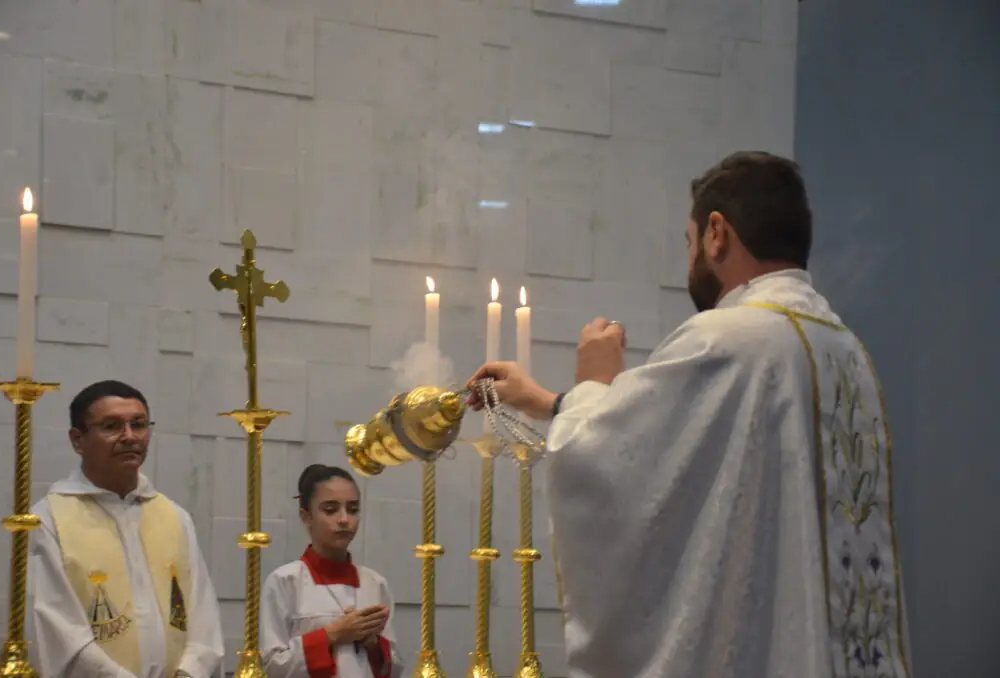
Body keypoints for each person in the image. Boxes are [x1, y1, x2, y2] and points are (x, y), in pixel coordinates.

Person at [466, 152, 912, 678]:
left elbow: (612, 467)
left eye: (689, 239)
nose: (689, 257)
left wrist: (595, 378)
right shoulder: (844, 349)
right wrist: (547, 402)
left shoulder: (733, 339)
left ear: (716, 234)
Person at [27, 380, 224, 678]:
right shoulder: (47, 519)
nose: (130, 436)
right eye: (111, 426)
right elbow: (57, 630)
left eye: (139, 424)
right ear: (77, 440)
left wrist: (190, 672)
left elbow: (203, 616)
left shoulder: (174, 516)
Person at [260, 464, 403, 678]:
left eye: (353, 509)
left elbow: (394, 667)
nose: (344, 519)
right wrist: (333, 634)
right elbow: (272, 666)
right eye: (330, 510)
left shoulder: (375, 583)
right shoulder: (285, 582)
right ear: (306, 516)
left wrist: (373, 644)